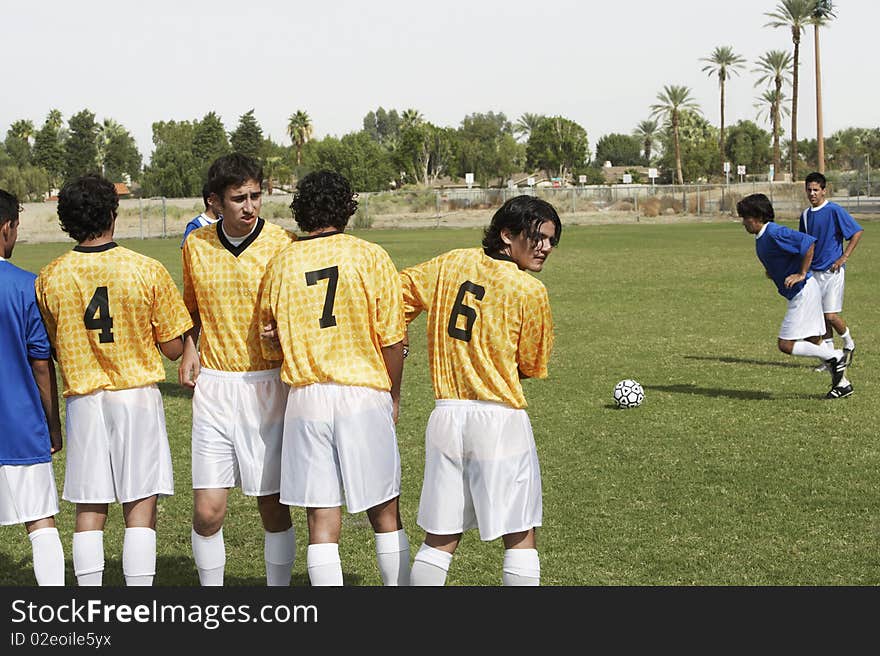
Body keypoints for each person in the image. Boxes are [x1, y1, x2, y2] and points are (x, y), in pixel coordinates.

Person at [34, 174, 192, 586]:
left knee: (90, 507)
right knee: (140, 506)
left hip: (84, 400)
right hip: (135, 395)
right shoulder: (146, 269)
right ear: (112, 214)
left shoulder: (50, 276)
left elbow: (52, 341)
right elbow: (174, 348)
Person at [399, 194, 561, 586]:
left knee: (440, 537)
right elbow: (531, 364)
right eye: (537, 237)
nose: (545, 248)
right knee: (519, 533)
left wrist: (398, 341)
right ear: (507, 234)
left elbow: (395, 293)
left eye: (552, 240)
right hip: (499, 418)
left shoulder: (450, 262)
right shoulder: (528, 289)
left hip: (446, 416)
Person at [258, 170, 409, 586]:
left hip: (306, 398)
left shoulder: (281, 262)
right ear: (347, 208)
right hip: (361, 393)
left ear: (302, 210)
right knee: (385, 512)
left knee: (321, 522)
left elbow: (269, 342)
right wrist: (393, 395)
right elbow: (394, 340)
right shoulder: (371, 255)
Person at [179, 153, 297, 586]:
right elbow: (190, 308)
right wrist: (191, 347)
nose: (249, 207)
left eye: (255, 196)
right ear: (215, 202)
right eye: (238, 199)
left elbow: (297, 313)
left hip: (267, 385)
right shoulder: (196, 244)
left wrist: (282, 339)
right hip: (214, 385)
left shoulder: (281, 243)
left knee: (272, 505)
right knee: (208, 512)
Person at [0, 190, 65, 586]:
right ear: (7, 228)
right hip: (20, 425)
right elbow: (41, 364)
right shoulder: (26, 287)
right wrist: (53, 424)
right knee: (41, 523)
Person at [737, 193, 852, 399]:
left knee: (785, 344)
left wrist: (800, 273)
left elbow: (808, 243)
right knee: (813, 339)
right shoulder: (762, 237)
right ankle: (843, 384)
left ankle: (835, 356)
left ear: (756, 216)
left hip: (804, 291)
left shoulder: (773, 231)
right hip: (803, 292)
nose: (743, 222)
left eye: (745, 217)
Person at [799, 172, 863, 371]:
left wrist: (843, 258)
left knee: (831, 316)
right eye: (809, 190)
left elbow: (856, 232)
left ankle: (849, 344)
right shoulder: (805, 215)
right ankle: (830, 358)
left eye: (816, 190)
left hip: (832, 272)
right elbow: (804, 243)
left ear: (824, 191)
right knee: (819, 317)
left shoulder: (834, 210)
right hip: (813, 273)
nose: (812, 193)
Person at [180, 182, 221, 248]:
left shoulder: (225, 222)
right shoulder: (195, 225)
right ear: (210, 201)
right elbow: (186, 249)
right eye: (220, 199)